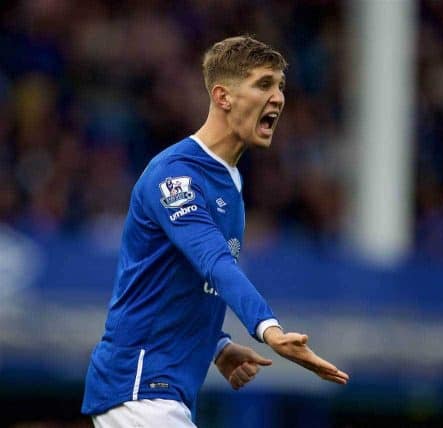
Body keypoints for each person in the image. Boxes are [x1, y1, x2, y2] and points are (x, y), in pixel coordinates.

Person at [81, 35, 349, 427]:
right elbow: (214, 263)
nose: (278, 98)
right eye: (263, 84)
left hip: (161, 396)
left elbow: (174, 282)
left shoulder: (230, 183)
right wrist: (269, 330)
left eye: (280, 86)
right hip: (139, 389)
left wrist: (217, 344)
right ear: (223, 97)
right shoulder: (175, 177)